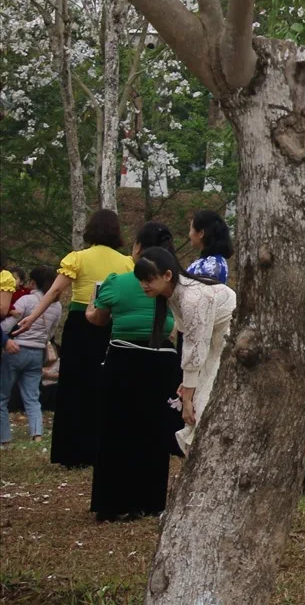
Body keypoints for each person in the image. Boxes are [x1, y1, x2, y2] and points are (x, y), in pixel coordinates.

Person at [15, 209, 132, 468]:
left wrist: (31, 318)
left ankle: (72, 452)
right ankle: (101, 449)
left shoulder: (77, 258)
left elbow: (55, 290)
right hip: (111, 326)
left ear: (90, 230)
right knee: (104, 385)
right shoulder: (126, 263)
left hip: (80, 326)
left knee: (75, 387)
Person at [87, 246, 180, 521]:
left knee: (116, 429)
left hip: (124, 358)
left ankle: (112, 503)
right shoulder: (171, 285)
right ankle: (151, 501)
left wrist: (90, 312)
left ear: (138, 249)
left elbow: (99, 317)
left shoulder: (118, 281)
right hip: (162, 359)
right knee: (154, 430)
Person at [151, 249, 236, 454]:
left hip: (228, 345)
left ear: (167, 275)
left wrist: (188, 397)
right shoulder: (175, 295)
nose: (143, 285)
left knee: (203, 406)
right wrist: (189, 384)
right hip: (213, 348)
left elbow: (195, 346)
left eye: (148, 279)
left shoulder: (192, 297)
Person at [2, 265, 57, 445]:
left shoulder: (26, 300)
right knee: (32, 396)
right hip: (38, 352)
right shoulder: (56, 305)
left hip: (16, 350)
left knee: (2, 396)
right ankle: (37, 435)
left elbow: (6, 326)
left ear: (33, 282)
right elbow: (51, 333)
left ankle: (4, 438)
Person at [185, 209, 233, 284]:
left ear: (201, 233)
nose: (189, 234)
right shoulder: (208, 261)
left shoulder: (213, 265)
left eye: (191, 230)